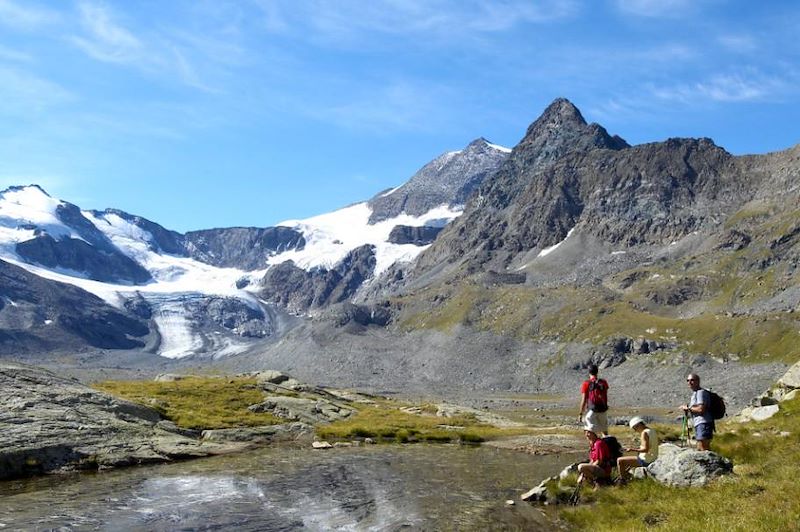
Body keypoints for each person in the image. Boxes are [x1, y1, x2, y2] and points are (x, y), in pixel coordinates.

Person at [616, 416, 658, 484]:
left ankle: (622, 481)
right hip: (653, 457)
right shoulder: (652, 430)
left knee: (620, 461)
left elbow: (645, 449)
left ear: (638, 425)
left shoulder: (644, 433)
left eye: (635, 428)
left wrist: (632, 449)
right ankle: (627, 476)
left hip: (646, 460)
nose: (635, 430)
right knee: (629, 462)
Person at [680, 373, 714, 450]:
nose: (689, 382)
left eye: (692, 380)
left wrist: (688, 408)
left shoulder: (700, 393)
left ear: (698, 381)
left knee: (703, 448)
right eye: (688, 380)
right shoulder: (695, 393)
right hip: (700, 423)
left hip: (703, 423)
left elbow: (701, 409)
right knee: (700, 447)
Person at [578, 364, 609, 436]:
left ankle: (594, 446)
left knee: (589, 430)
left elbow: (584, 399)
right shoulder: (603, 382)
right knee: (604, 431)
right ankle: (607, 444)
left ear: (589, 372)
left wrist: (580, 413)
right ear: (597, 372)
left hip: (592, 409)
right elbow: (605, 395)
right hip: (603, 409)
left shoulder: (586, 383)